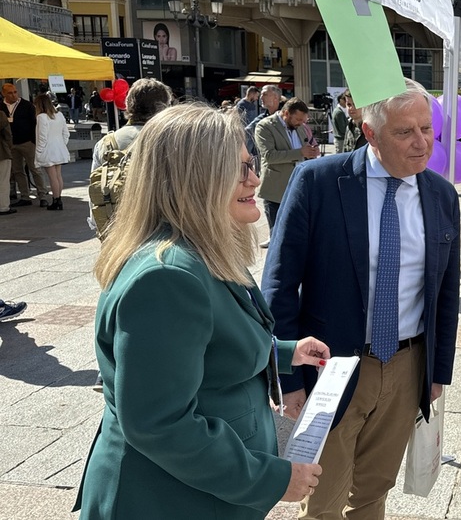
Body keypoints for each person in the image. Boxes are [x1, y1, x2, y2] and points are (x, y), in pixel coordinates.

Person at [74, 103, 329, 519]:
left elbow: (206, 347)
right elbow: (161, 422)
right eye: (243, 169)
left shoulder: (198, 251)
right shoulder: (168, 277)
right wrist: (270, 479)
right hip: (165, 501)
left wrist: (282, 352)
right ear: (198, 179)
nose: (255, 179)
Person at [261, 78, 461, 520]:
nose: (421, 143)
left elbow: (445, 293)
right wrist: (287, 378)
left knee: (373, 493)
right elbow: (279, 283)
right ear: (370, 134)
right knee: (323, 499)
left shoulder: (441, 195)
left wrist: (436, 371)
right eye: (404, 132)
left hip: (406, 366)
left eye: (427, 129)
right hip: (331, 369)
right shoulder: (318, 182)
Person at [88, 78, 173, 230]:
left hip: (117, 228)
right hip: (161, 228)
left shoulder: (107, 143)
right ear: (164, 107)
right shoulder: (171, 139)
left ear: (128, 105)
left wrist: (98, 225)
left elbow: (96, 186)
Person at [255, 97, 320, 231]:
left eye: (303, 120)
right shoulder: (265, 126)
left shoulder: (300, 127)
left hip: (299, 188)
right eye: (298, 120)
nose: (301, 123)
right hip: (276, 190)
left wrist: (312, 152)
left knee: (296, 231)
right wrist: (300, 153)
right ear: (286, 113)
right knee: (277, 232)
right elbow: (269, 156)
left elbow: (304, 149)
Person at [33, 93, 70, 211]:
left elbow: (42, 137)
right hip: (59, 148)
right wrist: (62, 144)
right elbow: (66, 133)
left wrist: (38, 152)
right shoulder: (59, 115)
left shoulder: (41, 117)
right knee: (58, 175)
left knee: (52, 177)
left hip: (48, 150)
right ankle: (58, 199)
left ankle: (56, 199)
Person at [245, 84, 282, 158]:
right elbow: (247, 131)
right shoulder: (262, 117)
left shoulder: (285, 116)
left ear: (276, 97)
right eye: (261, 94)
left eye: (265, 94)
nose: (261, 97)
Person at [0, 111, 14, 215]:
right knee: (3, 180)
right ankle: (3, 206)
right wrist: (9, 147)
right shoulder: (1, 115)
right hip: (2, 152)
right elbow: (7, 134)